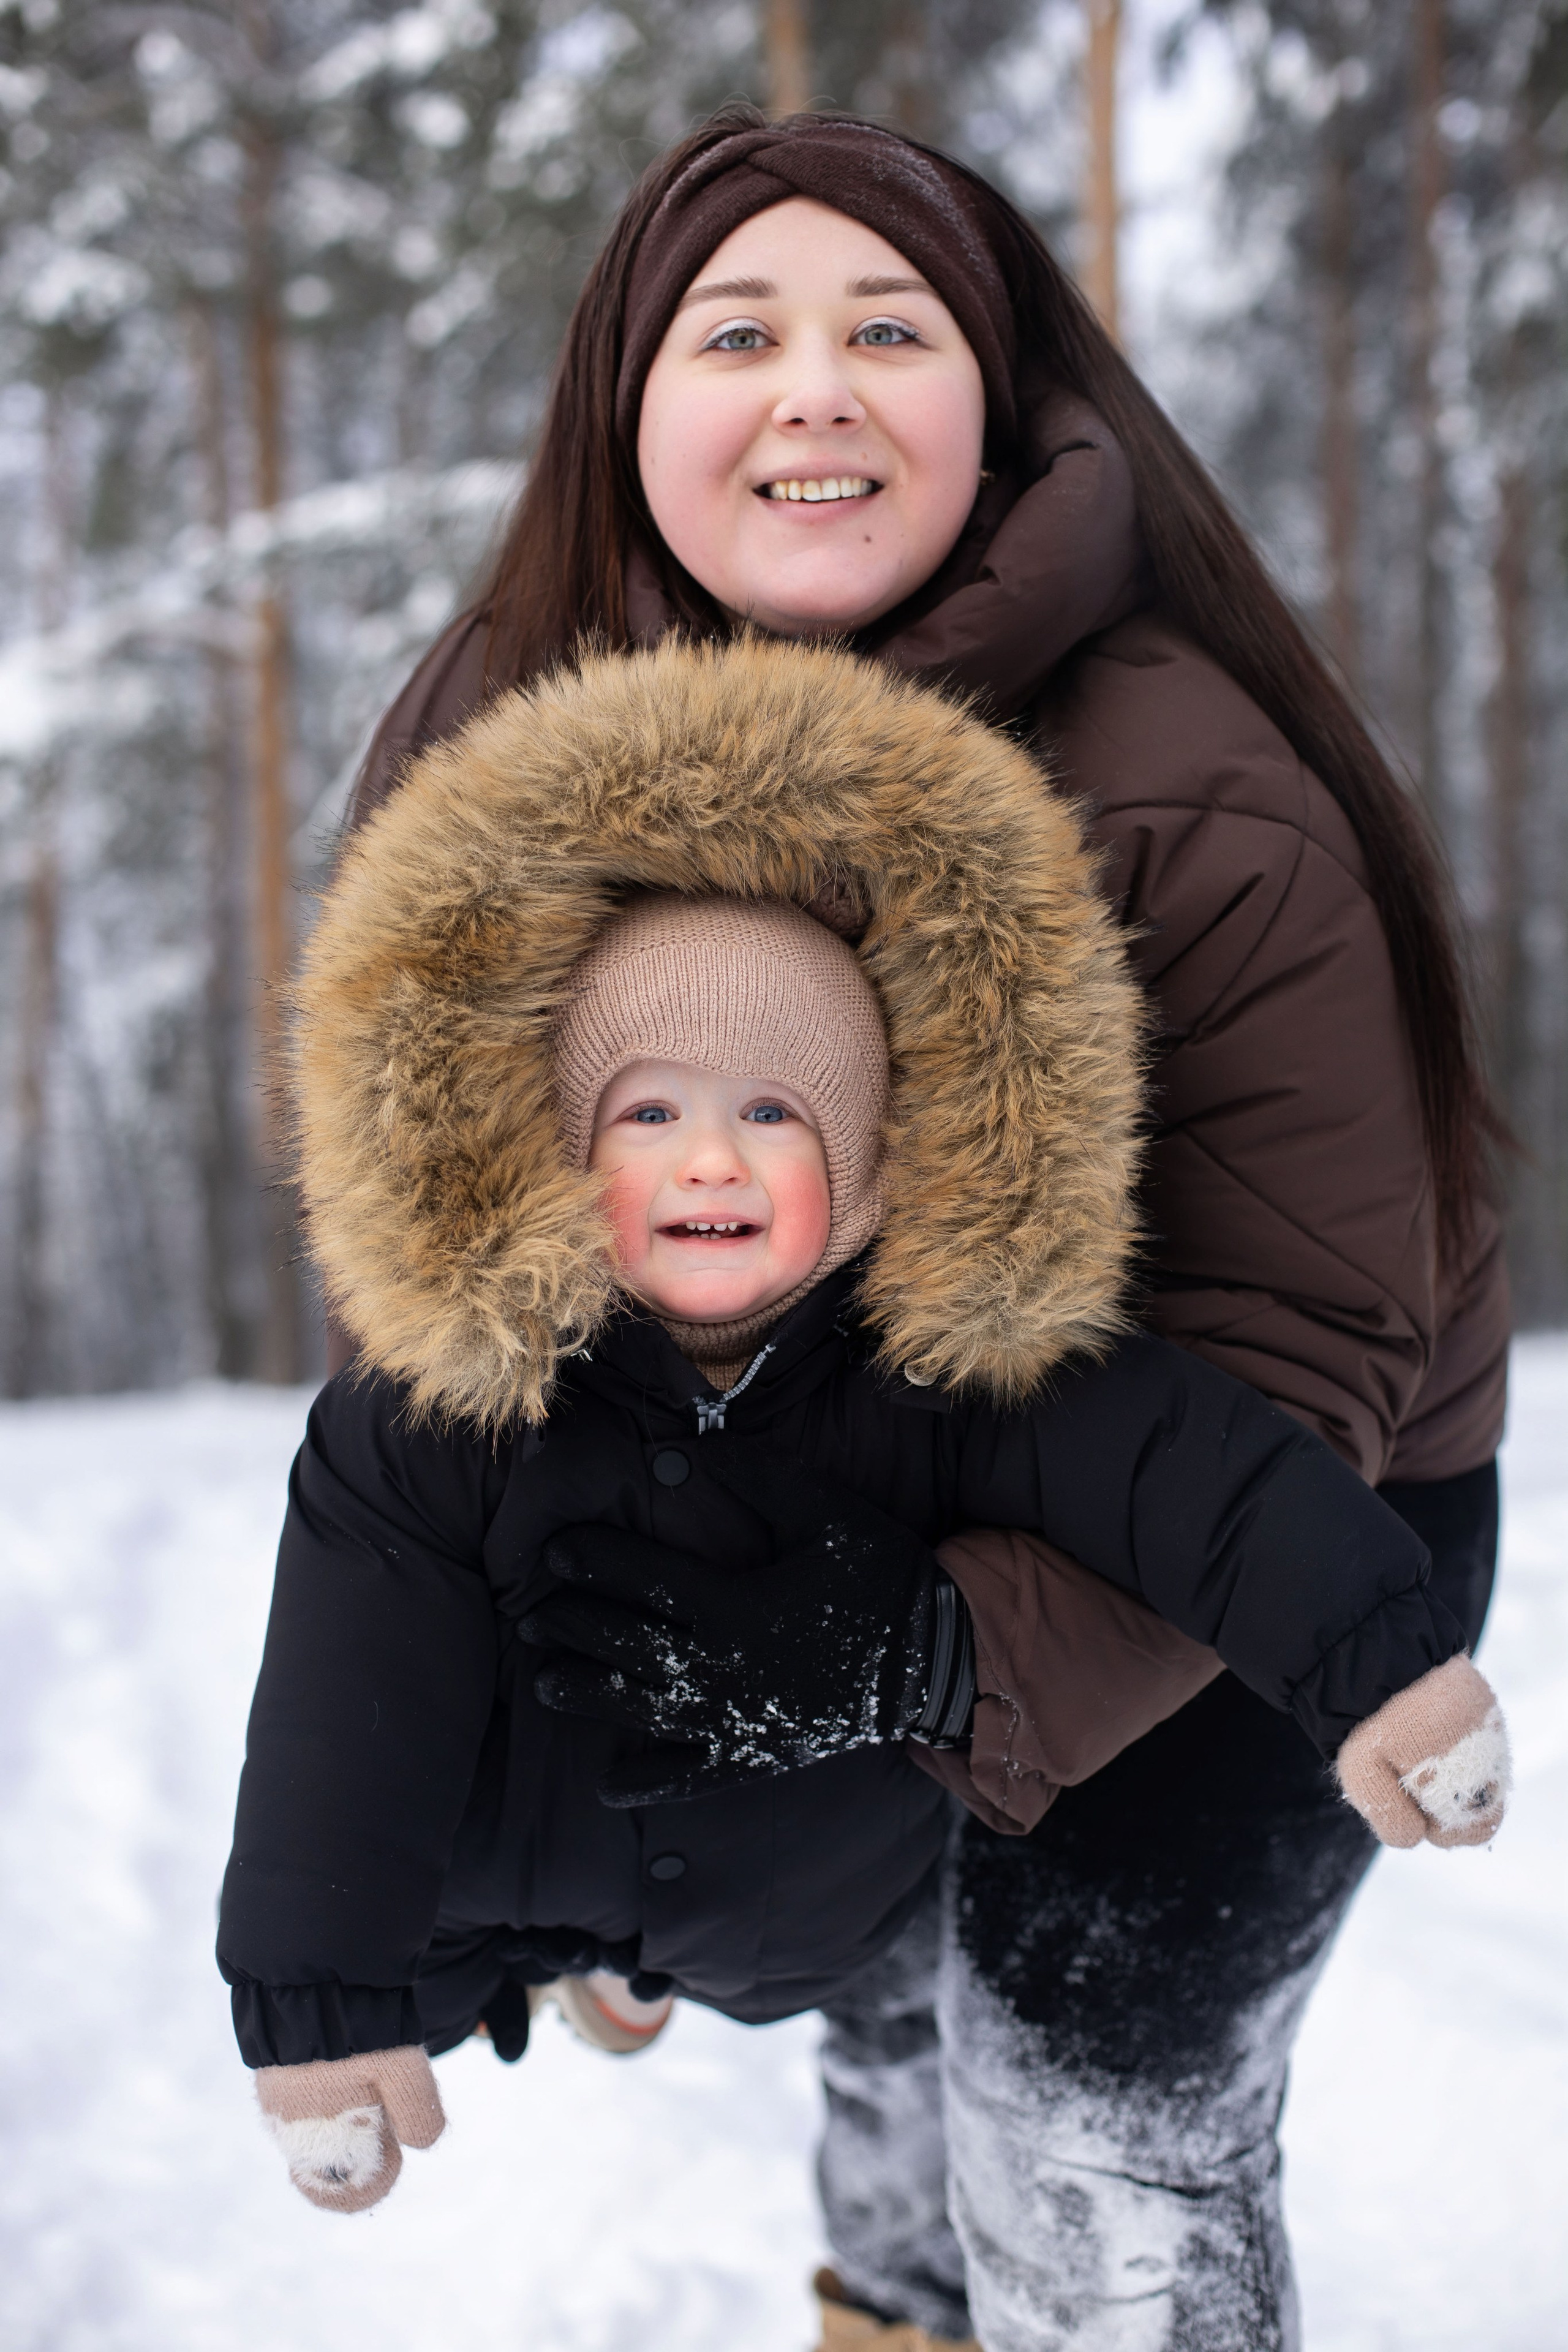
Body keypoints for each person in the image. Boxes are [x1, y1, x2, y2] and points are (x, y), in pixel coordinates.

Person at [325, 107, 1509, 2352]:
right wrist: (536, 1771)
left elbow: (1298, 1345)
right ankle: (897, 2318)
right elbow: (447, 1281)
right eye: (734, 332)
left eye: (892, 328)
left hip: (1275, 1526)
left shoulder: (1191, 790)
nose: (815, 389)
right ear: (626, 400)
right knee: (880, 1998)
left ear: (1000, 401)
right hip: (809, 1487)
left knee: (1085, 2102)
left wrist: (940, 1656)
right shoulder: (501, 744)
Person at [223, 644, 1507, 2296]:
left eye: (773, 1111)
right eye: (645, 1113)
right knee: (510, 1893)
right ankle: (591, 1975)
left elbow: (1209, 1485)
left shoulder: (950, 1374)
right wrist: (326, 2009)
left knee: (904, 2025)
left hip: (822, 1906)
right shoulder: (448, 1413)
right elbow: (343, 1712)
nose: (708, 1156)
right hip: (511, 1874)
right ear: (553, 1152)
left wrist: (1383, 1666)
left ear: (872, 1168)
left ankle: (864, 2253)